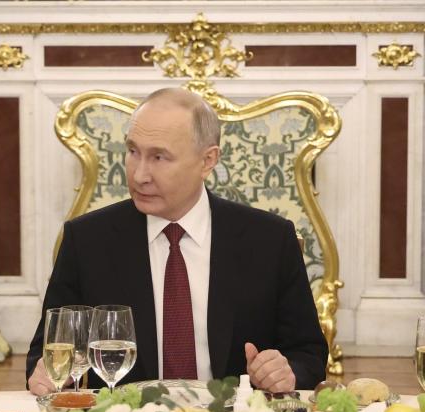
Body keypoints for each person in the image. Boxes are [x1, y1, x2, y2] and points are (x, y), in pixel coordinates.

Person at [27, 88, 327, 395]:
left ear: (207, 160)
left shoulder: (269, 240)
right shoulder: (88, 240)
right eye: (133, 152)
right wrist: (48, 374)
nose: (139, 174)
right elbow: (47, 353)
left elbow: (309, 354)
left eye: (159, 157)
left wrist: (285, 372)